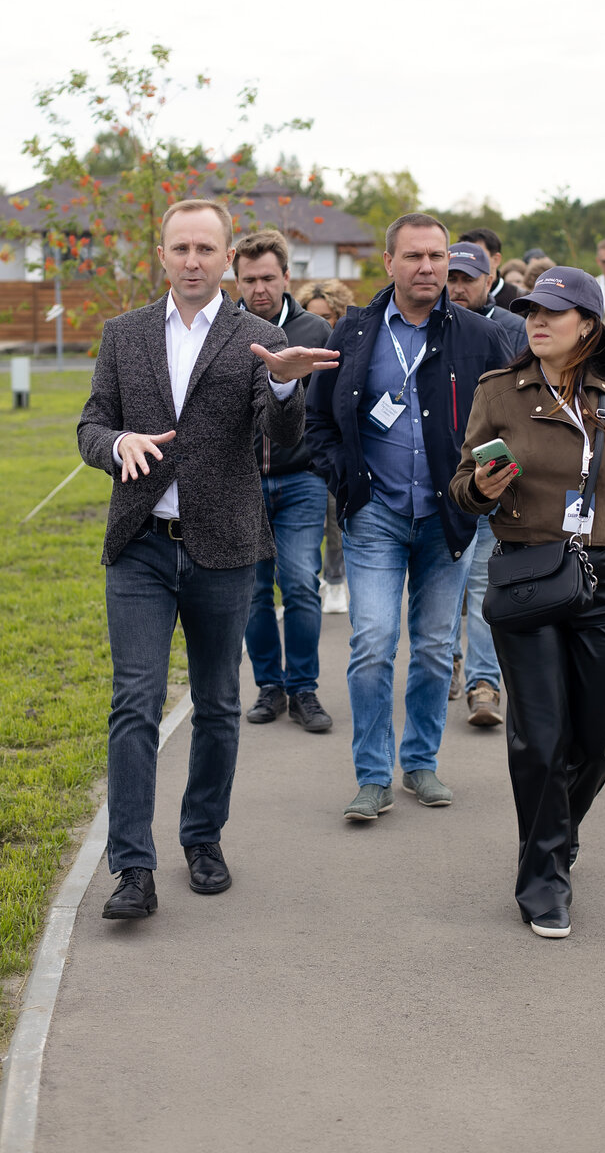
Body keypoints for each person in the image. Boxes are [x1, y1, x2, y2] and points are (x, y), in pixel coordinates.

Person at [78, 199, 338, 919]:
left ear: (227, 259)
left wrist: (285, 381)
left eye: (205, 248)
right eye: (179, 247)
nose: (192, 260)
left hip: (224, 548)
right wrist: (114, 446)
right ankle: (132, 866)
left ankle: (202, 838)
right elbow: (91, 423)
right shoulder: (123, 335)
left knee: (219, 704)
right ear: (160, 256)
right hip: (140, 549)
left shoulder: (257, 337)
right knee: (134, 702)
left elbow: (282, 435)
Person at [450, 266, 605, 939]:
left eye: (552, 311)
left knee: (597, 740)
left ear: (587, 324)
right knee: (541, 737)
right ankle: (545, 879)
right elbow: (461, 485)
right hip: (528, 576)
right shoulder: (500, 393)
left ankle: (554, 832)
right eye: (530, 310)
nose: (536, 320)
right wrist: (480, 490)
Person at [305, 213, 510, 821]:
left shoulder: (478, 336)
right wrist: (341, 477)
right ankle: (373, 775)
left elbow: (507, 419)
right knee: (372, 643)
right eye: (414, 256)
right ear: (390, 263)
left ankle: (420, 764)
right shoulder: (354, 333)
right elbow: (319, 420)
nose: (427, 267)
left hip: (450, 518)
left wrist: (488, 484)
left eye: (437, 257)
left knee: (431, 648)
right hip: (376, 515)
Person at [233, 231, 335, 733]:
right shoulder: (224, 330)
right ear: (237, 279)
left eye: (268, 278)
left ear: (286, 276)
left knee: (299, 583)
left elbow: (331, 402)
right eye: (249, 279)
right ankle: (269, 687)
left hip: (301, 478)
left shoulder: (313, 328)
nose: (259, 288)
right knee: (253, 591)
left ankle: (304, 689)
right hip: (244, 480)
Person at [446, 241, 522, 725]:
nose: (457, 288)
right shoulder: (425, 327)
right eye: (450, 278)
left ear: (488, 278)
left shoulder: (512, 328)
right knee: (444, 587)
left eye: (466, 279)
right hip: (438, 485)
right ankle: (449, 661)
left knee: (483, 586)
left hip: (490, 479)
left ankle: (484, 684)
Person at [294, 278, 356, 615]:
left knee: (335, 520)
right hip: (302, 451)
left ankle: (335, 579)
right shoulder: (298, 347)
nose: (322, 322)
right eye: (314, 314)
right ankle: (318, 577)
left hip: (334, 448)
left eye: (328, 315)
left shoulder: (350, 347)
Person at [458, 227, 519, 309]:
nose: (469, 261)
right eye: (464, 255)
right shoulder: (448, 298)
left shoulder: (519, 300)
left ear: (496, 260)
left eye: (477, 256)